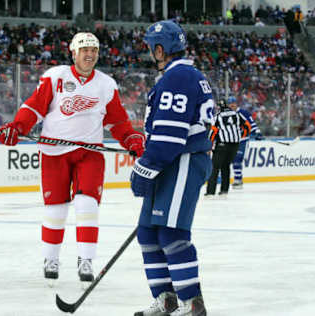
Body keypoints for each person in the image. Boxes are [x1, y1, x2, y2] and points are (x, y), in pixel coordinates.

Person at [0, 32, 145, 287]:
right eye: (84, 50)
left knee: (88, 205)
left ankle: (86, 260)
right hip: (54, 152)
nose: (90, 55)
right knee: (56, 208)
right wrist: (18, 127)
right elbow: (33, 107)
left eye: (94, 51)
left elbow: (117, 120)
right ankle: (50, 259)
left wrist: (130, 138)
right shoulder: (56, 77)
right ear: (73, 53)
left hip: (90, 153)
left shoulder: (106, 84)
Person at [131, 20, 215, 316]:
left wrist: (145, 166)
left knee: (171, 233)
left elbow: (169, 134)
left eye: (151, 47)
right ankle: (166, 298)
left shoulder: (178, 77)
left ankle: (191, 303)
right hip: (172, 161)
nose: (150, 53)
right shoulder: (178, 75)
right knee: (148, 232)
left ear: (160, 47)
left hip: (183, 160)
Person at [205, 99, 251, 198]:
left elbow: (213, 132)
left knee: (214, 168)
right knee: (225, 167)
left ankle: (210, 192)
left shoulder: (217, 117)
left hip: (222, 145)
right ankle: (224, 190)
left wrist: (209, 146)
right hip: (235, 145)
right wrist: (241, 136)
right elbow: (247, 126)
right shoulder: (236, 115)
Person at [228, 97, 264, 189]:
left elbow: (252, 124)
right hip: (231, 141)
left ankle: (238, 180)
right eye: (230, 104)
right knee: (232, 159)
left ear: (236, 104)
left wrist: (257, 132)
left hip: (242, 140)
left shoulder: (244, 113)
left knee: (237, 159)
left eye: (233, 103)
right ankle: (238, 179)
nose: (232, 105)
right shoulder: (226, 114)